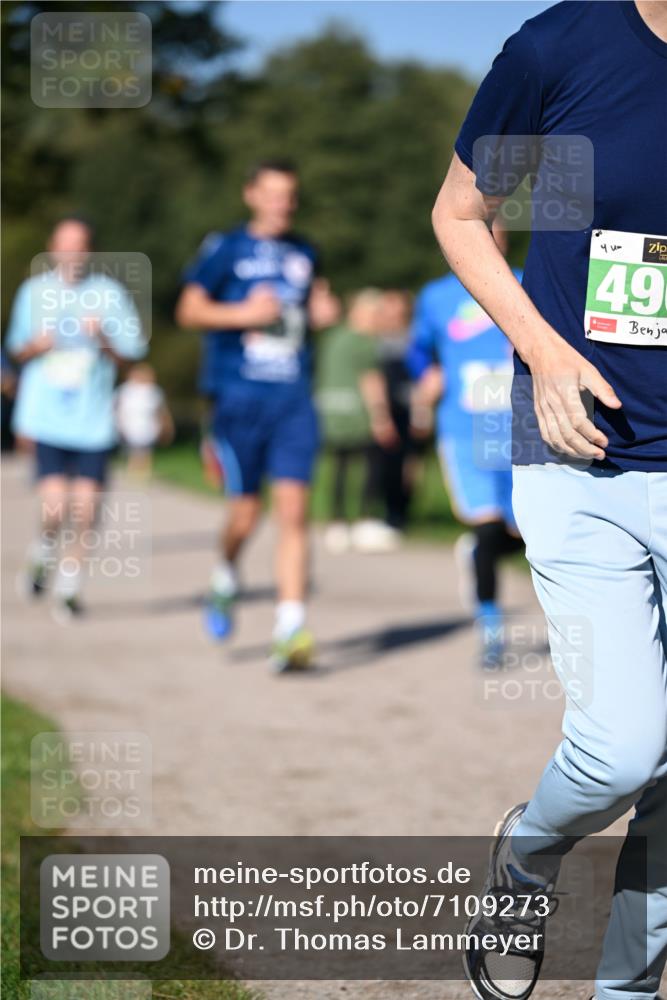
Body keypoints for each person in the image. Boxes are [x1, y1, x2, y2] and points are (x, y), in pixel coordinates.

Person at [431, 3, 667, 999]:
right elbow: (459, 214)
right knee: (624, 749)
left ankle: (625, 987)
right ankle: (525, 858)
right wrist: (540, 347)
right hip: (583, 454)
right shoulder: (560, 47)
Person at [175, 159, 321, 671]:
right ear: (252, 196)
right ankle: (225, 574)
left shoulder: (305, 252)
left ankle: (291, 629)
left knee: (295, 512)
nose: (283, 204)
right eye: (274, 194)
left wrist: (323, 313)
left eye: (290, 195)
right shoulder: (226, 249)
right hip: (238, 398)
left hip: (293, 399)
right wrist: (243, 315)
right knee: (245, 513)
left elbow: (310, 308)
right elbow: (189, 311)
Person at [6, 217, 146, 620]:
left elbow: (132, 354)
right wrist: (38, 345)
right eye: (65, 244)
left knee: (85, 510)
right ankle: (43, 551)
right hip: (48, 418)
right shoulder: (34, 292)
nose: (72, 252)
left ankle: (69, 586)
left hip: (93, 421)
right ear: (52, 247)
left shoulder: (109, 295)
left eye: (80, 244)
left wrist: (104, 339)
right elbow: (16, 350)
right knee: (55, 508)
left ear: (91, 250)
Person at [408, 222, 523, 666]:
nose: (492, 238)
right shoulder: (436, 297)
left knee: (527, 534)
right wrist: (426, 377)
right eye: (482, 228)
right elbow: (420, 352)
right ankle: (491, 629)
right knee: (488, 526)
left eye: (500, 231)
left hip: (522, 430)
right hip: (463, 428)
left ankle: (476, 554)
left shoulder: (526, 284)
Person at [316, 288, 399, 554]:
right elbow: (371, 381)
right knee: (369, 469)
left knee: (338, 470)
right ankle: (365, 521)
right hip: (359, 415)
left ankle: (337, 524)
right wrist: (382, 417)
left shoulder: (333, 336)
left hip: (331, 410)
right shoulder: (366, 343)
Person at [115, 362, 174, 480]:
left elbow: (160, 410)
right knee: (135, 449)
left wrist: (165, 424)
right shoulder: (126, 390)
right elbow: (118, 407)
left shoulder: (154, 391)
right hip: (130, 424)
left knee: (145, 450)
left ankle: (142, 474)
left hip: (148, 425)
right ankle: (134, 473)